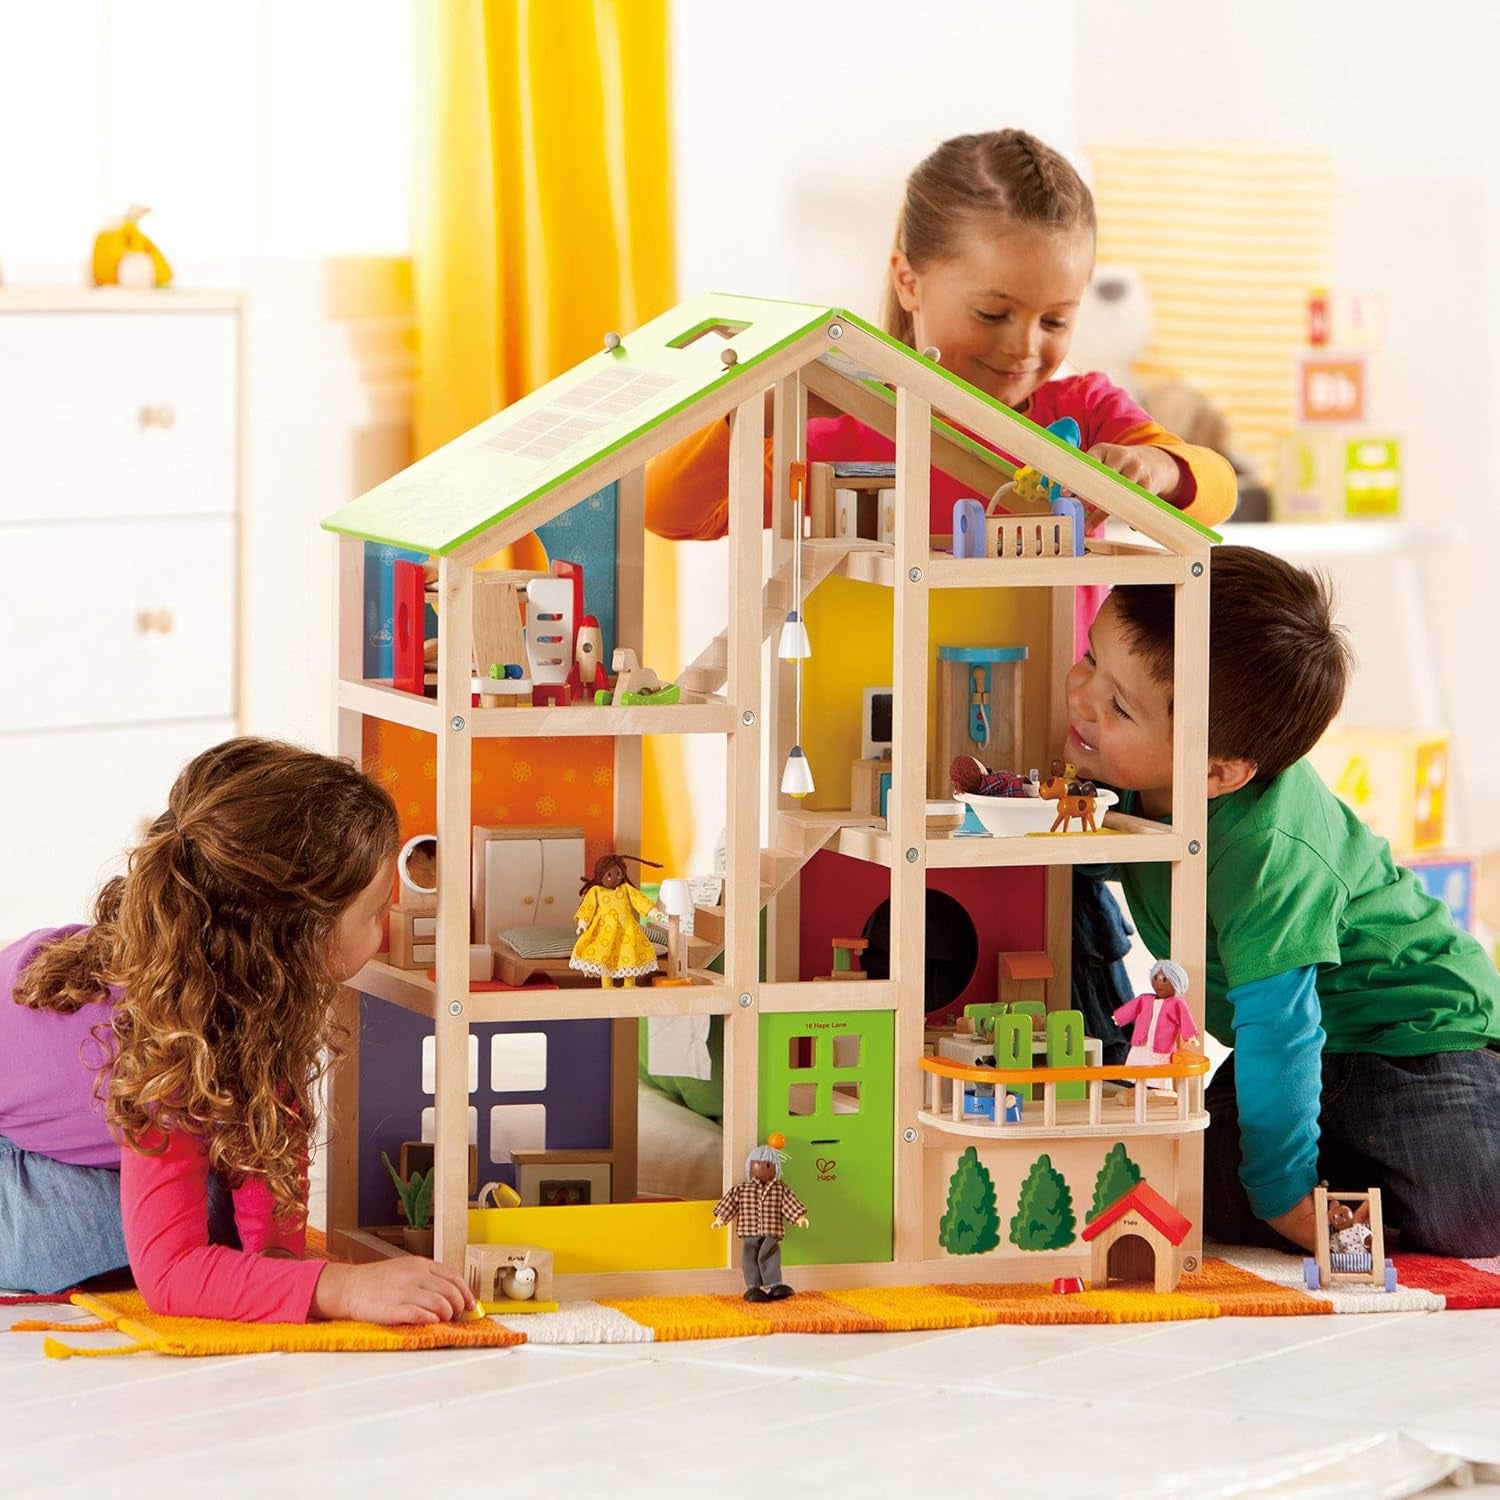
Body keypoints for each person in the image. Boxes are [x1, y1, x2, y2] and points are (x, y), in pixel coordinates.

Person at [1066, 546, 1500, 1256]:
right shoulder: (1142, 783)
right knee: (1171, 1180)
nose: (1080, 695)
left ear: (1216, 772)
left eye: (1116, 704)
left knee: (1469, 1195)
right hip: (1315, 1065)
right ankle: (1325, 1183)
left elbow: (1281, 1030)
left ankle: (1339, 1192)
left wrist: (1282, 1198)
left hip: (1418, 1041)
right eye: (1088, 657)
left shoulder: (1272, 852)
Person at [0, 737, 476, 1324]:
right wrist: (342, 1288)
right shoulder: (169, 1042)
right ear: (297, 942)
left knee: (220, 1208)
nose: (386, 928)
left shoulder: (238, 984)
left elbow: (267, 1130)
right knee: (188, 1224)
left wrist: (280, 1258)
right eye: (375, 912)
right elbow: (170, 1275)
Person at [645, 127, 1236, 573]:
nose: (1024, 347)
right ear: (909, 281)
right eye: (993, 313)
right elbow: (666, 510)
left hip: (1054, 728)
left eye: (1056, 319)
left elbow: (1217, 489)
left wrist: (1159, 469)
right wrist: (753, 415)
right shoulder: (845, 422)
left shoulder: (1085, 410)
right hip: (872, 725)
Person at [711, 1140, 809, 1303]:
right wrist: (720, 1219)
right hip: (749, 1232)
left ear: (776, 1168)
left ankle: (774, 1285)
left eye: (768, 1165)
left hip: (771, 1231)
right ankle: (753, 1287)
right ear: (750, 1166)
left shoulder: (780, 1189)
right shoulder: (742, 1189)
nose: (763, 1168)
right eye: (757, 1164)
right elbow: (730, 1203)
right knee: (750, 1257)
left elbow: (789, 1203)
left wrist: (799, 1217)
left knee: (771, 1255)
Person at [570, 853, 663, 987]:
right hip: (604, 931)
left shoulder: (625, 889)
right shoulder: (596, 891)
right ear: (600, 874)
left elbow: (639, 900)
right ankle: (607, 985)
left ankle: (629, 984)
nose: (614, 878)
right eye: (609, 875)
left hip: (627, 930)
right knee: (605, 954)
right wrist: (583, 923)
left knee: (629, 953)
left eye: (618, 874)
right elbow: (587, 907)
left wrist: (654, 912)